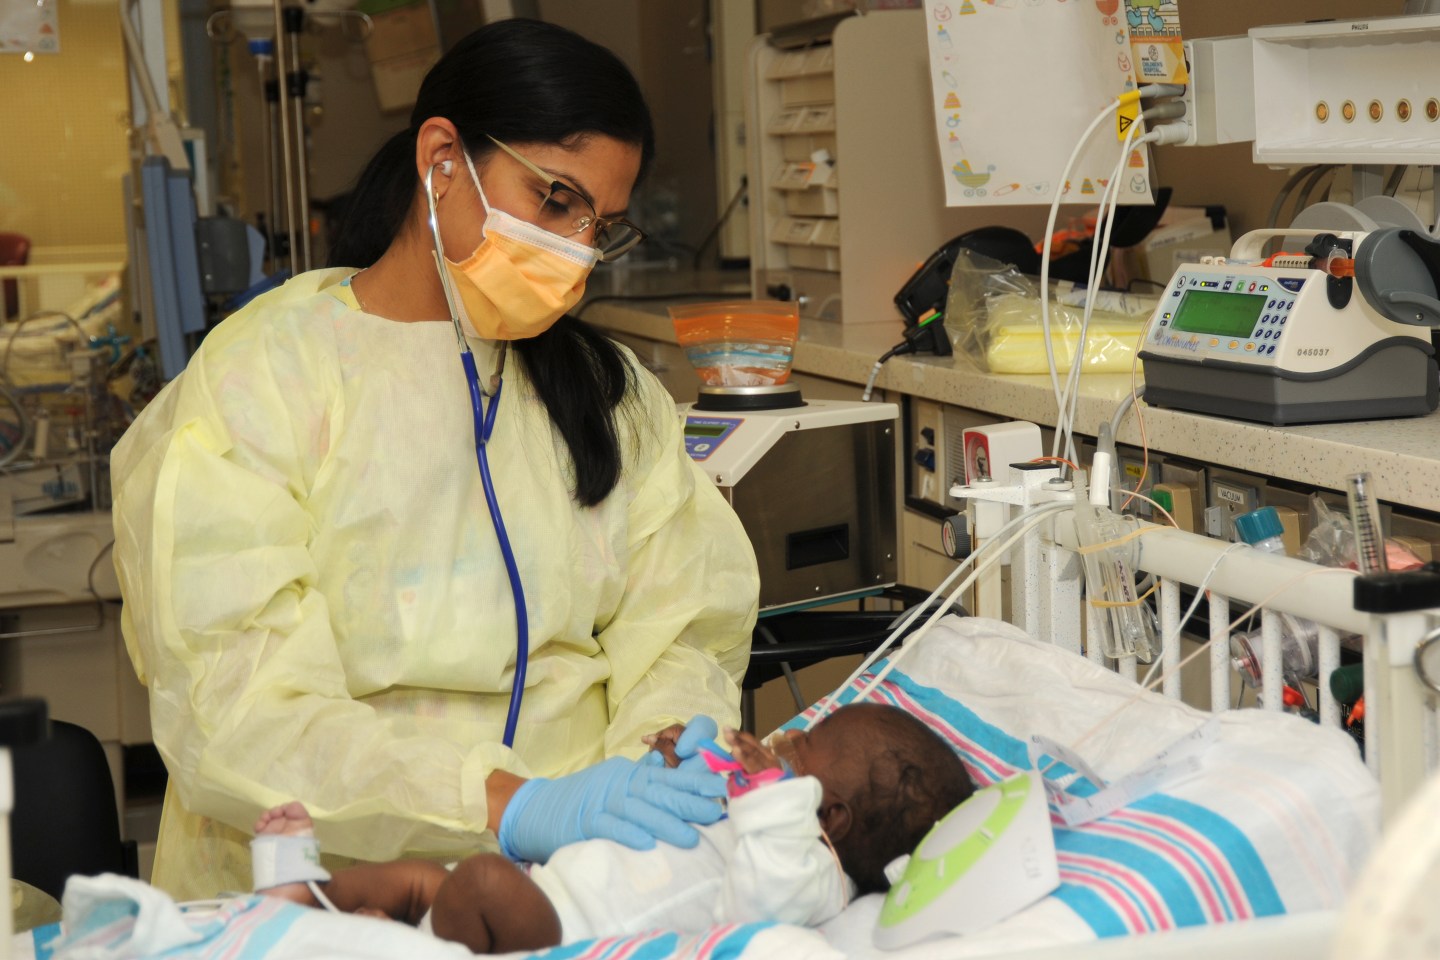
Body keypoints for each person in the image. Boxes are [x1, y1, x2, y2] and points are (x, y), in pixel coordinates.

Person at [109, 17, 760, 901]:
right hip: (322, 888)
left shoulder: (608, 395)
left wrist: (658, 765)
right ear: (443, 158)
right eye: (555, 201)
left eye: (600, 226)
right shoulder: (265, 378)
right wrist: (512, 805)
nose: (575, 253)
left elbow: (684, 628)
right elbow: (237, 702)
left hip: (584, 878)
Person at [250, 703, 976, 953]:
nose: (787, 739)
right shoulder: (759, 809)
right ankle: (305, 898)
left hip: (564, 936)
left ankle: (398, 947)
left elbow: (762, 903)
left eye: (806, 745)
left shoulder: (814, 875)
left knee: (480, 882)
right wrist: (676, 759)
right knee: (417, 880)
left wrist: (767, 795)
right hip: (546, 891)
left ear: (830, 815)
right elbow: (676, 810)